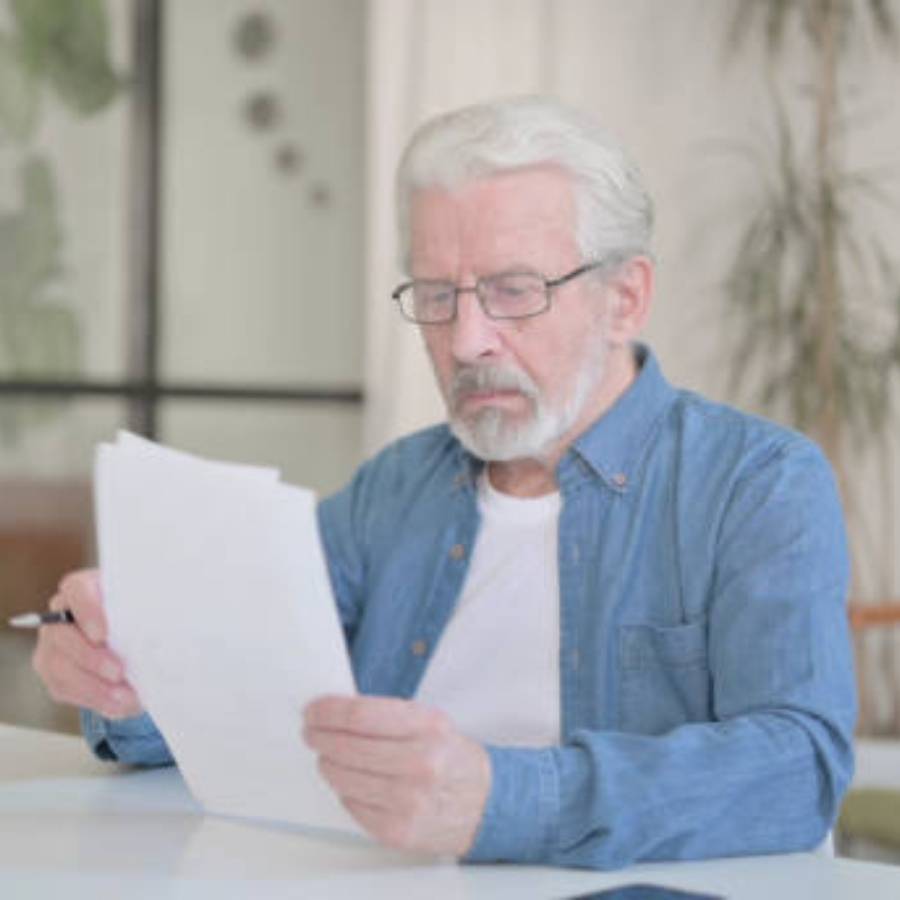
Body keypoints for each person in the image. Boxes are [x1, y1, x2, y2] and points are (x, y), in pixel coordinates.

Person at [32, 97, 856, 870]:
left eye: (513, 291)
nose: (466, 340)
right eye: (436, 295)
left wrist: (502, 800)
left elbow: (799, 768)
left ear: (624, 298)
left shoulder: (758, 484)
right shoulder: (397, 488)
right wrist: (133, 681)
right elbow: (245, 706)